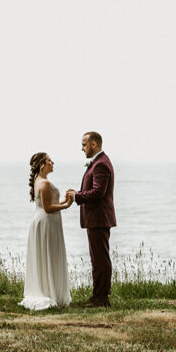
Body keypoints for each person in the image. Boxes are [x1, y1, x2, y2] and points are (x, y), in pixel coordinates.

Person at [67, 131, 115, 307]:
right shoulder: (98, 162)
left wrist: (77, 195)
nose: (82, 148)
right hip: (96, 218)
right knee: (97, 258)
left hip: (99, 218)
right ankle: (98, 295)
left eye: (84, 145)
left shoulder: (101, 164)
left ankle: (102, 297)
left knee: (100, 258)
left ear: (94, 144)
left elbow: (98, 192)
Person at [20, 152, 72, 310]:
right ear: (42, 164)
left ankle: (47, 288)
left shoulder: (39, 181)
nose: (53, 162)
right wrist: (67, 205)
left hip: (42, 221)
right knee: (50, 255)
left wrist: (64, 200)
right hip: (47, 222)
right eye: (49, 160)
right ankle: (49, 291)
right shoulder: (45, 183)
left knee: (46, 255)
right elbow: (49, 208)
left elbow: (47, 203)